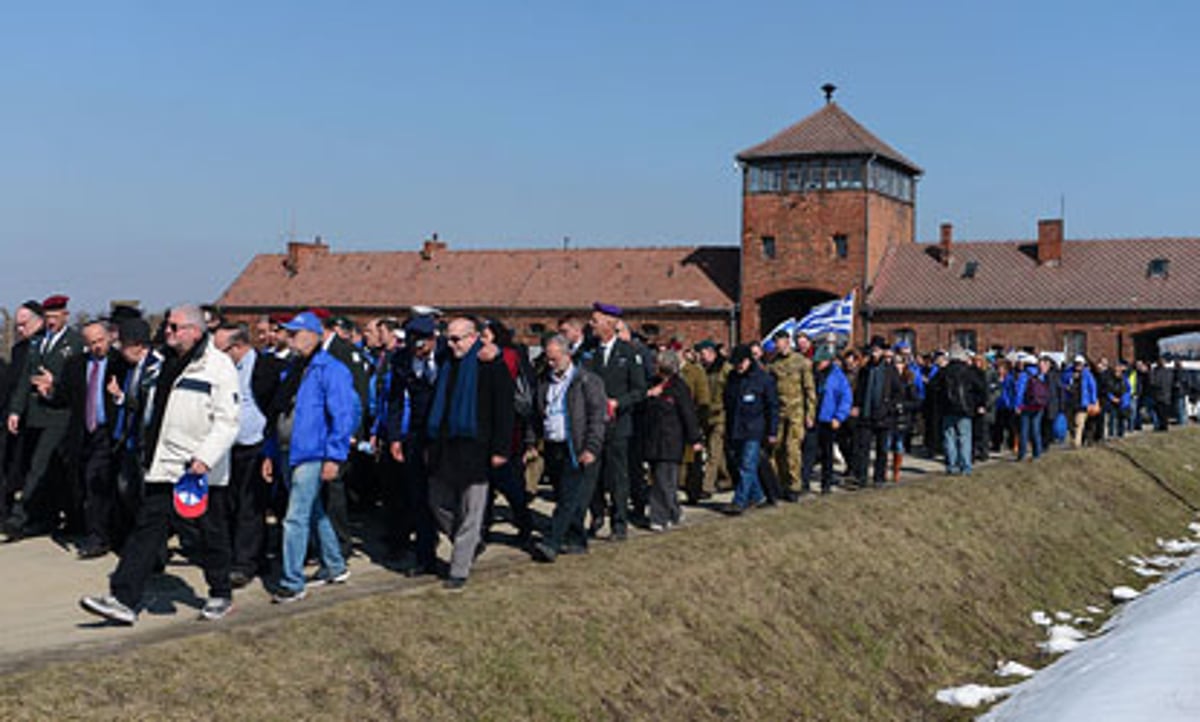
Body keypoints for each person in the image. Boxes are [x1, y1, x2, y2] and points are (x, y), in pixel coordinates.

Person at [80, 304, 241, 625]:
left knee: (210, 533)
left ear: (195, 331)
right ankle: (124, 598)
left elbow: (228, 422)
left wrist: (204, 459)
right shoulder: (164, 364)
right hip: (164, 465)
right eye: (167, 326)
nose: (167, 332)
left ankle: (220, 592)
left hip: (200, 473)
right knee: (147, 530)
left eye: (175, 327)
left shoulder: (218, 367)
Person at [264, 312, 359, 603]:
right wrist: (270, 452)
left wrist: (335, 456)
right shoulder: (293, 370)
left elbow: (344, 415)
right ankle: (334, 564)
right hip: (287, 450)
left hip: (312, 452)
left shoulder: (331, 370)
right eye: (289, 334)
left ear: (314, 334)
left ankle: (292, 581)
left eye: (296, 334)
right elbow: (278, 412)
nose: (290, 339)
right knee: (313, 511)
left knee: (295, 517)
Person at [426, 317, 515, 589]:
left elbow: (504, 410)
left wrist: (501, 448)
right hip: (445, 445)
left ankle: (459, 569)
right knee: (438, 502)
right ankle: (471, 543)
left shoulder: (490, 366)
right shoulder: (446, 362)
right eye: (449, 338)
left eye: (458, 339)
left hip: (476, 446)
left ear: (474, 337)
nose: (452, 344)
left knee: (471, 509)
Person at [4, 294, 84, 541]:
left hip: (59, 415)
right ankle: (44, 517)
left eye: (55, 317)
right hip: (35, 414)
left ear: (65, 316)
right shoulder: (38, 343)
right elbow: (24, 381)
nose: (51, 322)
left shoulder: (74, 343)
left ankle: (19, 518)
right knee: (42, 470)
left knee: (39, 467)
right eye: (47, 317)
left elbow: (76, 382)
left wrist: (54, 385)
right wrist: (16, 411)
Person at [528, 335, 607, 563]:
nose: (551, 364)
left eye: (555, 359)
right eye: (548, 359)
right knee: (564, 495)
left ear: (567, 355)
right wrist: (532, 443)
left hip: (576, 446)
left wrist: (591, 447)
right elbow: (536, 414)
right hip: (553, 445)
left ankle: (551, 542)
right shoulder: (544, 382)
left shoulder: (587, 381)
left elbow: (597, 417)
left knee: (568, 498)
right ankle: (577, 539)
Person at [213, 322, 279, 588]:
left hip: (256, 444)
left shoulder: (266, 367)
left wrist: (270, 447)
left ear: (238, 347)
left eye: (222, 350)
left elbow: (275, 406)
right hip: (229, 445)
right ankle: (244, 555)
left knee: (250, 508)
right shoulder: (221, 371)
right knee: (229, 505)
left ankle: (246, 563)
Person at [386, 315, 445, 576]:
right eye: (413, 345)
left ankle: (467, 542)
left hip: (446, 432)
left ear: (433, 339)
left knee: (446, 496)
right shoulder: (401, 360)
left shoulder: (447, 354)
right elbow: (396, 400)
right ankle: (425, 556)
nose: (418, 351)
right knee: (418, 496)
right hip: (417, 432)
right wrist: (395, 436)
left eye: (422, 345)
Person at [59, 320, 123, 558]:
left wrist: (119, 396)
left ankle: (99, 537)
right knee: (86, 484)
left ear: (109, 338)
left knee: (97, 482)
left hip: (110, 433)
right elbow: (64, 397)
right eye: (90, 343)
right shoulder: (76, 365)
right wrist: (49, 391)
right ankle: (94, 530)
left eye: (100, 341)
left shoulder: (120, 364)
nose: (96, 347)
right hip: (84, 433)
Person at [583, 303, 646, 541]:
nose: (592, 324)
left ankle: (619, 522)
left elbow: (639, 390)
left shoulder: (628, 353)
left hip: (618, 425)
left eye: (596, 320)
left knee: (618, 476)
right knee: (592, 474)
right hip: (593, 425)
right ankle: (596, 514)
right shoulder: (589, 352)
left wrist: (619, 402)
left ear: (610, 324)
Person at [641, 350, 702, 531]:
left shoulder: (679, 387)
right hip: (653, 440)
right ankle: (674, 511)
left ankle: (659, 517)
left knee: (663, 480)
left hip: (670, 440)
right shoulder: (651, 385)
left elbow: (688, 414)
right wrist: (650, 395)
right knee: (662, 480)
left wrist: (695, 439)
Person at [0, 301, 45, 526]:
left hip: (39, 416)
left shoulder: (43, 344)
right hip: (14, 417)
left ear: (39, 321)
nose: (20, 330)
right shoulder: (19, 349)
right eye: (16, 325)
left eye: (23, 324)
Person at [722, 344, 779, 513]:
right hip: (736, 428)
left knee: (747, 465)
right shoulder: (732, 378)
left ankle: (739, 501)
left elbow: (772, 407)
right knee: (742, 465)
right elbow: (728, 403)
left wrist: (772, 431)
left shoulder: (763, 379)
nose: (738, 366)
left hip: (754, 428)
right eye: (736, 363)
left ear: (749, 360)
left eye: (741, 362)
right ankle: (758, 496)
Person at [767, 330, 816, 501]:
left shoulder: (801, 362)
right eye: (776, 343)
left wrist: (810, 413)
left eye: (780, 341)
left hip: (796, 411)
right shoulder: (773, 364)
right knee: (777, 448)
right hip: (779, 411)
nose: (778, 345)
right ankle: (780, 483)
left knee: (792, 448)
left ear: (787, 341)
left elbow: (809, 389)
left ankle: (794, 485)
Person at [851, 338, 903, 488]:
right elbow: (859, 390)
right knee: (864, 447)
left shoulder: (889, 370)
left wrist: (890, 407)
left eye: (878, 350)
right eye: (873, 350)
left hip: (883, 414)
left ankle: (879, 477)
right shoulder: (865, 369)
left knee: (882, 448)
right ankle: (861, 477)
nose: (875, 353)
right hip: (866, 413)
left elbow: (898, 391)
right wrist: (857, 405)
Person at [802, 346, 852, 494]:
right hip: (813, 418)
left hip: (829, 419)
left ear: (828, 361)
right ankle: (804, 483)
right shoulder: (812, 374)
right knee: (809, 452)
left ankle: (826, 483)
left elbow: (845, 398)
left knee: (827, 453)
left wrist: (839, 417)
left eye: (820, 362)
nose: (818, 365)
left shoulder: (838, 377)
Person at [939, 347, 985, 475]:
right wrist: (978, 403)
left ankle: (952, 466)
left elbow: (933, 387)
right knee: (964, 438)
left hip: (947, 409)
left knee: (949, 438)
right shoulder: (968, 371)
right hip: (965, 409)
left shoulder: (944, 372)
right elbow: (980, 387)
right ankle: (965, 466)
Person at [697, 340, 731, 496]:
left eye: (703, 354)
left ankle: (707, 486)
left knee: (713, 451)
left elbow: (729, 393)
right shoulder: (704, 370)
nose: (701, 357)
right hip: (706, 416)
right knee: (718, 452)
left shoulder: (725, 369)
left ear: (711, 352)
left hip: (720, 415)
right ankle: (727, 479)